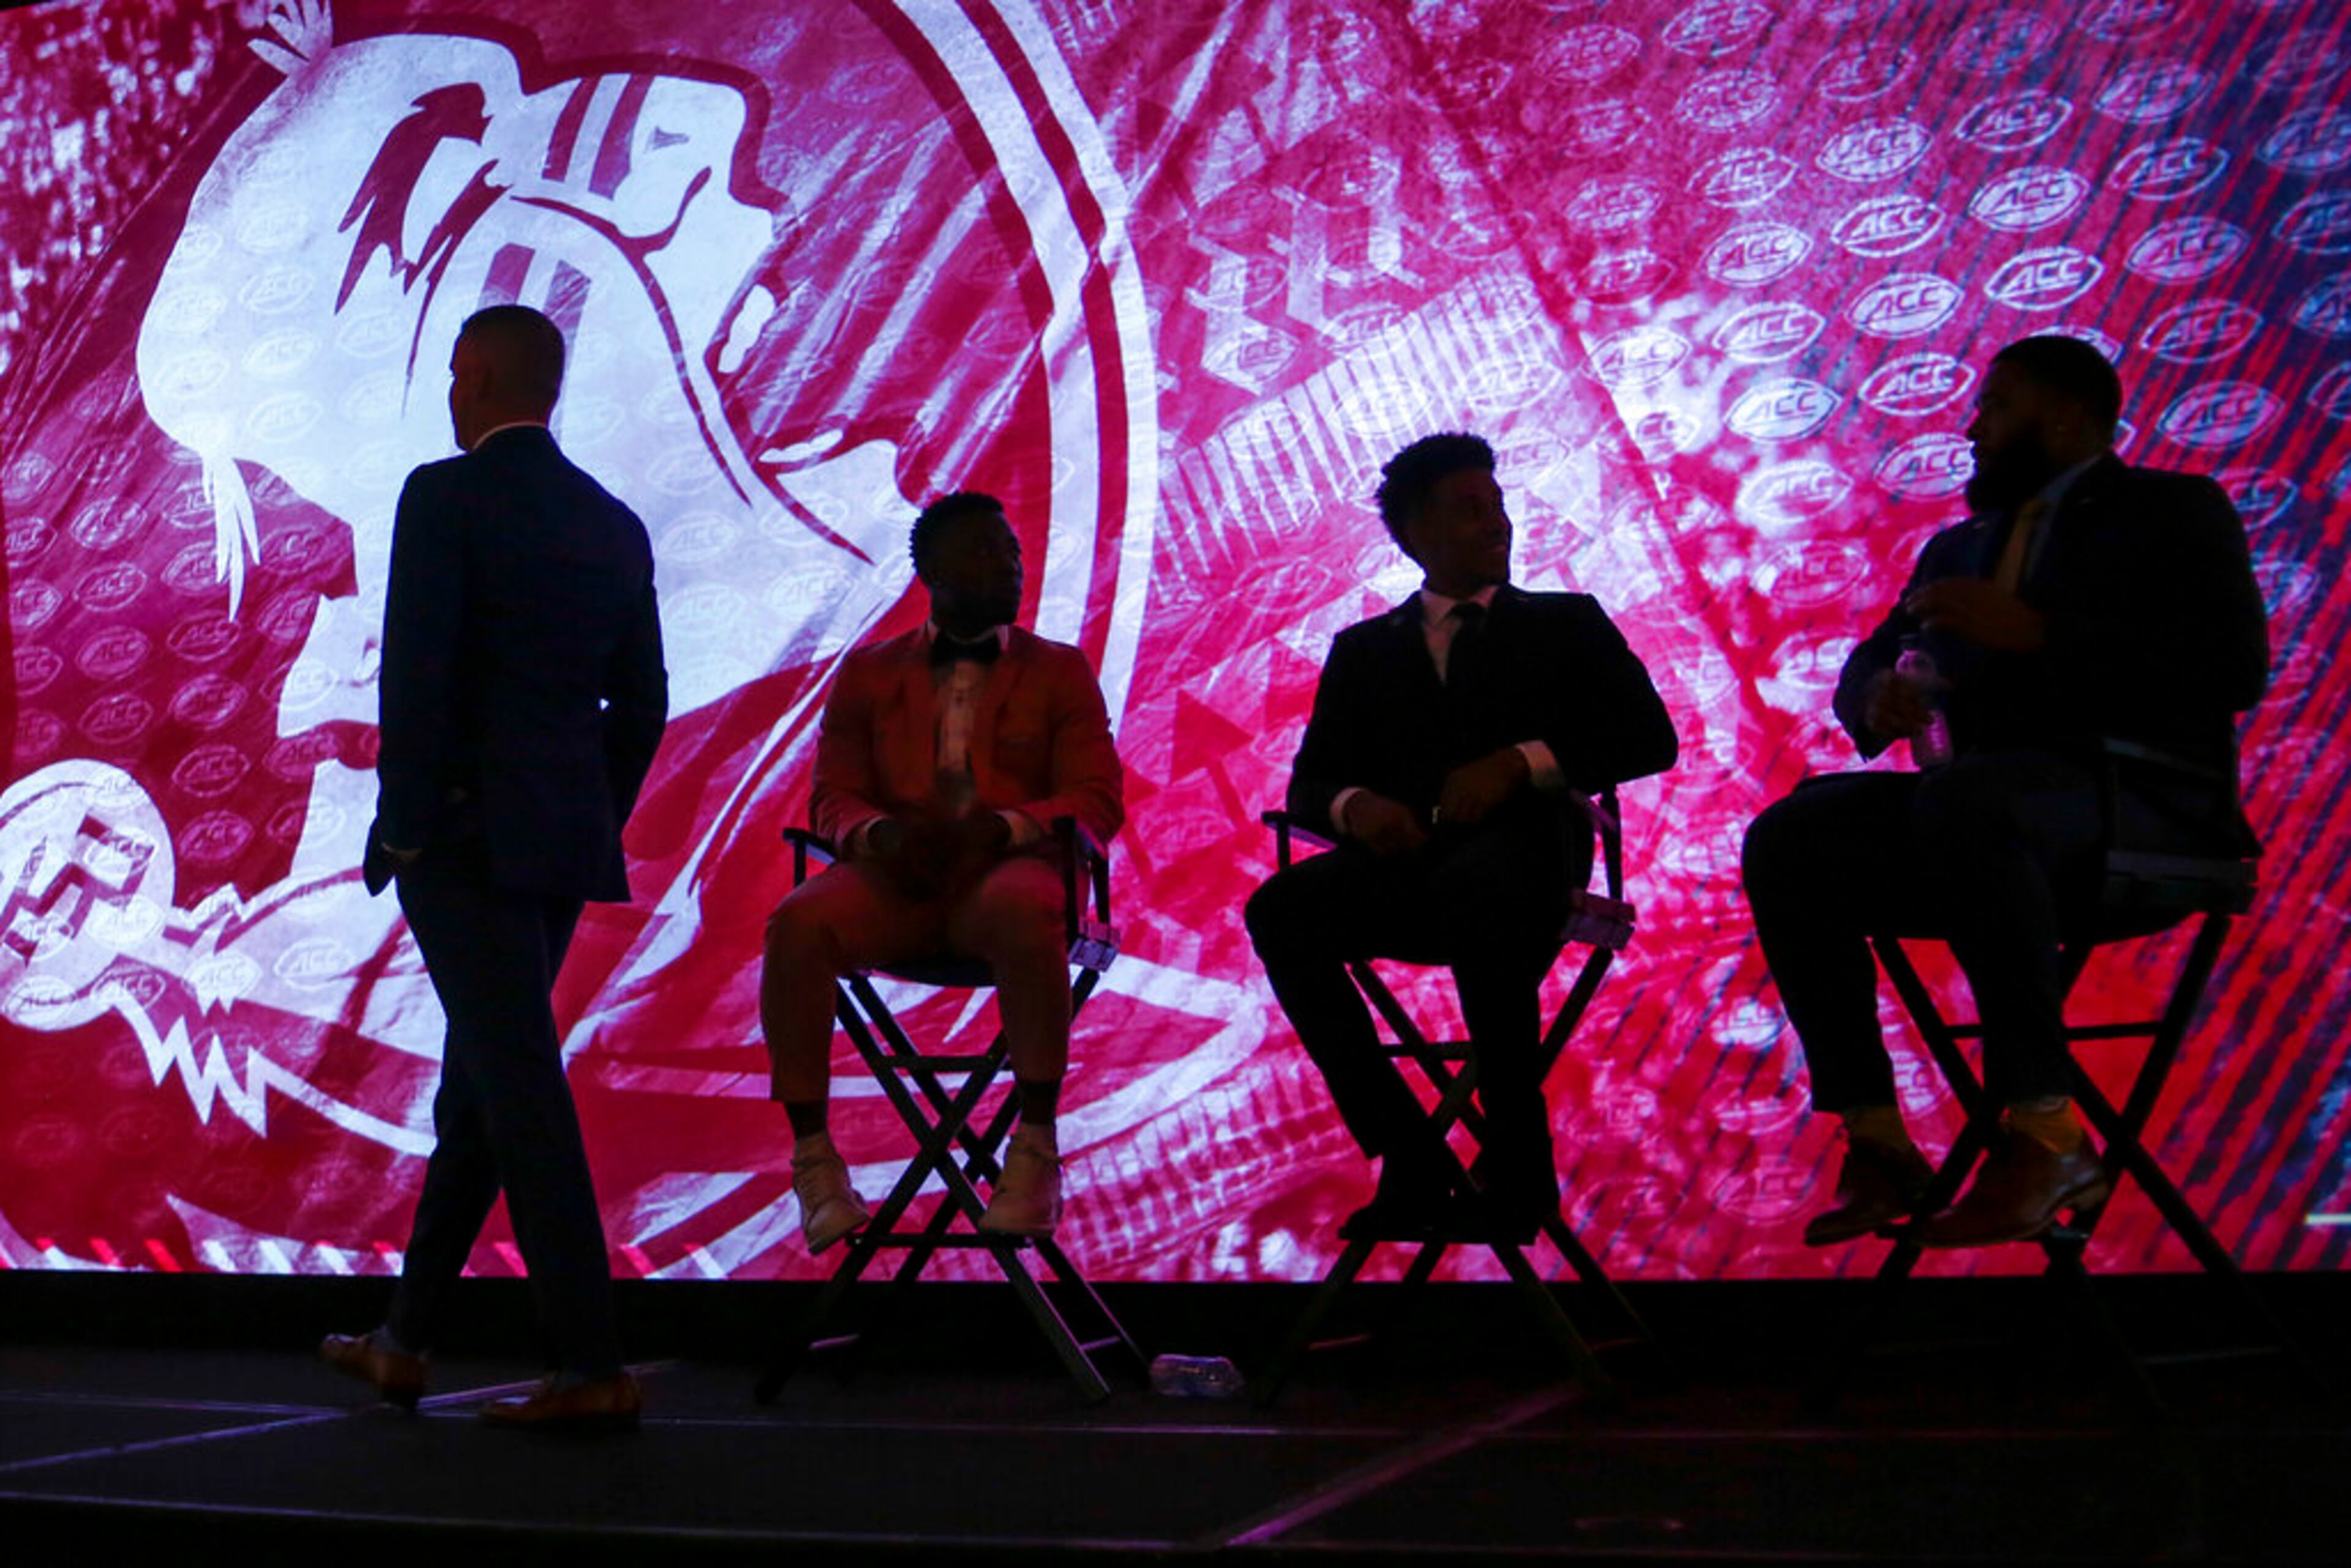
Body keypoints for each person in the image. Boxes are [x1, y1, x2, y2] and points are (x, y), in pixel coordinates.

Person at [1742, 334, 2268, 1248]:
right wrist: (1880, 693)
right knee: (1794, 833)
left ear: (2066, 415)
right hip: (1985, 829)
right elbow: (1880, 650)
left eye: (1998, 405)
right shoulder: (1961, 545)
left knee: (1971, 799)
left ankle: (2044, 1130)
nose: (1974, 426)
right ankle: (1876, 1135)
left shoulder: (2171, 512)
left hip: (2136, 810)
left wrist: (2040, 633)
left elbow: (2230, 666)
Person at [321, 305, 668, 1429]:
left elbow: (415, 674)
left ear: (472, 380)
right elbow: (645, 705)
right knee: (482, 1086)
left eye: (457, 373)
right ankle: (405, 1340)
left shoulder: (445, 495)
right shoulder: (612, 523)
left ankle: (590, 1364)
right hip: (557, 844)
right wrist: (585, 810)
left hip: (461, 842)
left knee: (512, 1084)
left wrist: (409, 824)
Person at [1245, 433, 1678, 1240]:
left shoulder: (1567, 623)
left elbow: (1650, 738)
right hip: (1406, 867)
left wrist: (1521, 762)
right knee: (1280, 909)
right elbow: (1310, 786)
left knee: (1482, 888)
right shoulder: (1364, 649)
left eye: (1498, 504)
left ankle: (1519, 1165)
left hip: (1528, 859)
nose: (1497, 523)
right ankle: (1408, 1153)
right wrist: (1355, 809)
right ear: (1415, 534)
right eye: (1470, 509)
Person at [763, 492, 1125, 1251]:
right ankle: (816, 1160)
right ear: (930, 570)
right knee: (797, 921)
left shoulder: (1060, 669)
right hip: (900, 881)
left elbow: (1096, 797)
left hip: (1008, 874)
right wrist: (882, 835)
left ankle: (1034, 1146)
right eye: (983, 552)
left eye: (1012, 551)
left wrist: (1000, 829)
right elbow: (833, 795)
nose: (1008, 566)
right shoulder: (867, 671)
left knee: (1029, 909)